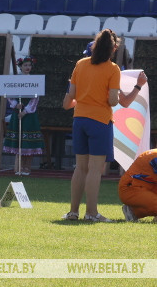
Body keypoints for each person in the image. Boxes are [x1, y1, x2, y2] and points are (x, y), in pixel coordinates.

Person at [61, 29, 147, 222]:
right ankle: (91, 213)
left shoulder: (80, 64)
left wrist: (85, 99)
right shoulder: (112, 69)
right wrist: (138, 86)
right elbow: (115, 101)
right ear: (114, 48)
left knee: (80, 168)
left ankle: (73, 212)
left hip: (79, 120)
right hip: (99, 122)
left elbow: (70, 98)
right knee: (94, 169)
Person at [2, 57, 43, 176]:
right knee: (19, 141)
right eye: (25, 65)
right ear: (20, 66)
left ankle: (27, 167)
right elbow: (8, 94)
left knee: (28, 143)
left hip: (29, 115)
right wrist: (16, 105)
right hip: (17, 112)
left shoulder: (35, 80)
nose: (27, 67)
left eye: (29, 65)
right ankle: (18, 167)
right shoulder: (15, 80)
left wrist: (25, 111)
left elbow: (36, 98)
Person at [119, 149, 157, 222]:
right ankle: (133, 211)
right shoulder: (154, 156)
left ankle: (133, 212)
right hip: (131, 189)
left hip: (145, 187)